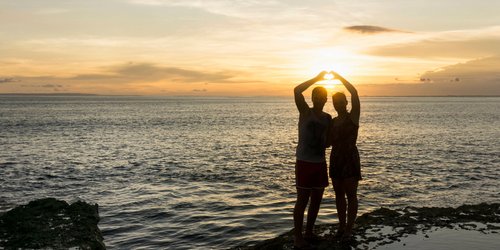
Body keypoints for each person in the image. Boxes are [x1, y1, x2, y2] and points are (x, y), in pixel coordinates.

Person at [293, 71, 331, 249]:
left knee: (316, 200)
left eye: (322, 96)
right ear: (313, 97)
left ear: (325, 99)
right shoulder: (305, 112)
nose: (319, 98)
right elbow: (297, 90)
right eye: (316, 95)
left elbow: (328, 142)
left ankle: (309, 232)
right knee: (302, 200)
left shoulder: (327, 118)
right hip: (304, 162)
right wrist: (317, 78)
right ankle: (297, 237)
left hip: (320, 163)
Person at [327, 71, 361, 241]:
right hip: (336, 159)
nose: (339, 104)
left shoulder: (353, 117)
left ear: (346, 102)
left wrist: (339, 78)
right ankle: (341, 226)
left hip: (349, 158)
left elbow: (354, 92)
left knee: (351, 195)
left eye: (341, 101)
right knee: (339, 194)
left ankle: (349, 228)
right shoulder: (332, 121)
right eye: (335, 102)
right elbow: (327, 142)